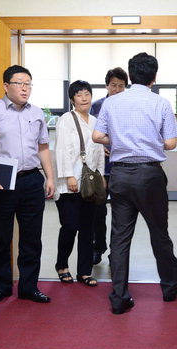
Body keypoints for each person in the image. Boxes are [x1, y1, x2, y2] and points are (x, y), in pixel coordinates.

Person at [92, 52, 177, 314]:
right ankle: (169, 285)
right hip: (149, 176)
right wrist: (146, 141)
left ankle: (119, 297)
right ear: (154, 78)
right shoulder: (161, 103)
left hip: (120, 175)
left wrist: (120, 141)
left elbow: (97, 135)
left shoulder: (112, 103)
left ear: (130, 76)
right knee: (159, 233)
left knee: (120, 238)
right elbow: (170, 143)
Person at [0, 65, 55, 305]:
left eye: (28, 83)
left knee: (31, 238)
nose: (25, 88)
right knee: (1, 237)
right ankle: (1, 286)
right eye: (19, 83)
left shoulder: (37, 113)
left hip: (31, 179)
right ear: (6, 86)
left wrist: (49, 177)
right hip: (1, 182)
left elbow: (43, 148)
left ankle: (29, 287)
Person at [53, 80, 104, 286]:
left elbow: (99, 149)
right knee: (70, 226)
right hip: (70, 184)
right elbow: (61, 150)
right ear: (72, 99)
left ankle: (84, 271)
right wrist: (68, 176)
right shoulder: (66, 119)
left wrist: (100, 175)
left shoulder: (95, 121)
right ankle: (62, 265)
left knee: (87, 229)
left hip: (90, 182)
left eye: (87, 94)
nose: (84, 98)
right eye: (79, 94)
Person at [89, 67, 128, 265]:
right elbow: (91, 135)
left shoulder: (129, 107)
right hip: (100, 169)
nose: (117, 89)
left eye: (121, 86)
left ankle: (116, 253)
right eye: (114, 85)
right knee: (98, 211)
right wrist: (101, 146)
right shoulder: (96, 106)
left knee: (120, 213)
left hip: (122, 167)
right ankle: (98, 247)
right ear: (106, 86)